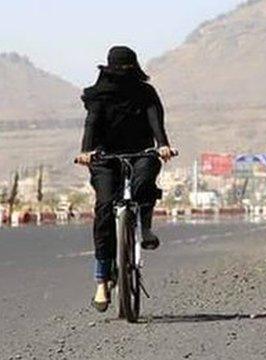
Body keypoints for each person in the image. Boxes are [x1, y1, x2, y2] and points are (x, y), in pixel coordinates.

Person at [75, 46, 175, 312]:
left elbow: (156, 121)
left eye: (128, 69)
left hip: (141, 152)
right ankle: (101, 281)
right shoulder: (100, 96)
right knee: (105, 208)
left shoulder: (145, 93)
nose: (124, 74)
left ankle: (145, 226)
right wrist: (86, 151)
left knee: (145, 179)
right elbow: (92, 123)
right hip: (105, 157)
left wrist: (163, 145)